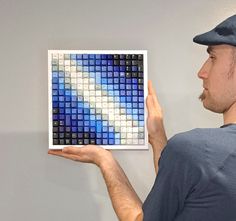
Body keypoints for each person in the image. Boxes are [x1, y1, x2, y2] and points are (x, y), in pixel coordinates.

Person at [48, 14, 236, 221]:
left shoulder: (198, 151)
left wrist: (105, 160)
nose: (202, 72)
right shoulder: (199, 157)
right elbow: (182, 192)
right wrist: (157, 137)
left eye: (213, 58)